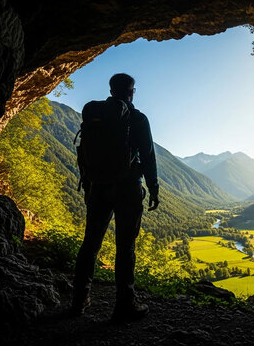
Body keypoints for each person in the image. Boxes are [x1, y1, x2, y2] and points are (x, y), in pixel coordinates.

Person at [70, 73, 160, 323]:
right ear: (131, 91)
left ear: (111, 90)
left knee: (90, 244)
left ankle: (79, 300)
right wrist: (153, 189)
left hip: (98, 187)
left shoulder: (94, 114)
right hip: (128, 189)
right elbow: (149, 156)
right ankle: (124, 304)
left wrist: (90, 183)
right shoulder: (138, 119)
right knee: (125, 247)